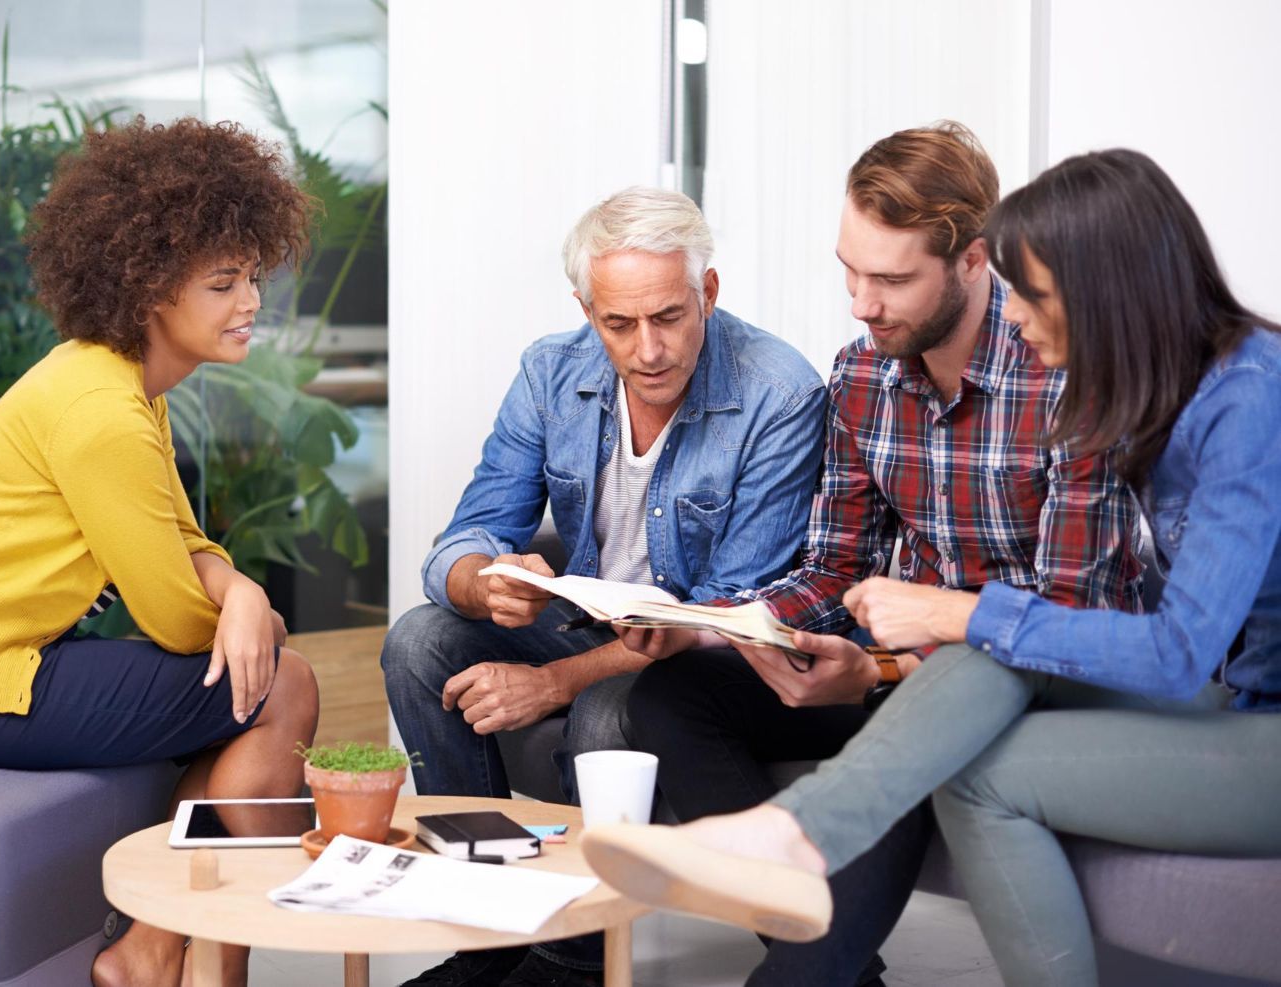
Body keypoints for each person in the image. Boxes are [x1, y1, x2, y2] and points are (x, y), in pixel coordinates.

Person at [584, 147, 1281, 987]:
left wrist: (948, 620)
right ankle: (786, 837)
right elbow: (838, 563)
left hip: (1224, 707)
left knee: (973, 749)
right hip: (1182, 690)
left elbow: (1170, 648)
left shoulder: (1239, 397)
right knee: (702, 692)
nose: (1019, 316)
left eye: (1038, 294)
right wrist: (727, 627)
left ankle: (795, 843)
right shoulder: (1157, 387)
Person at [0, 118, 321, 987]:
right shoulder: (104, 413)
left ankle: (158, 951)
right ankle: (189, 957)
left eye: (253, 276)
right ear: (150, 286)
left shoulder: (111, 377)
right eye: (223, 282)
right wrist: (240, 603)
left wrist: (240, 592)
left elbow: (183, 541)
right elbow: (174, 618)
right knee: (284, 683)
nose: (251, 302)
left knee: (264, 678)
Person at [383, 186, 825, 986]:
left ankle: (572, 960)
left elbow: (731, 609)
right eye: (619, 324)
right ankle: (489, 940)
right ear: (588, 310)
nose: (647, 348)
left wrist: (549, 680)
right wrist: (485, 583)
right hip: (592, 625)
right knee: (418, 640)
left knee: (606, 708)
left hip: (699, 651)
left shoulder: (779, 393)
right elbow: (470, 531)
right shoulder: (552, 371)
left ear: (709, 293)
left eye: (669, 317)